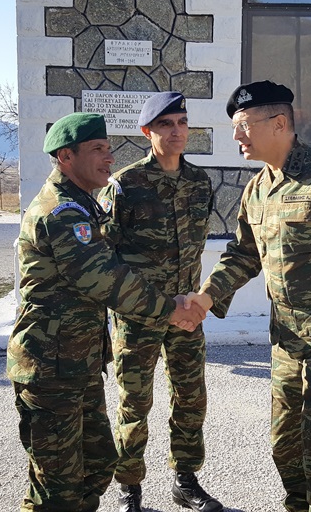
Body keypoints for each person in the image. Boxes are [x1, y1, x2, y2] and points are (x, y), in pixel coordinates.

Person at [182, 81, 311, 512]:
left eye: (243, 126)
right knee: (285, 446)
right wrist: (206, 297)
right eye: (234, 128)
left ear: (278, 123)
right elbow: (243, 254)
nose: (236, 136)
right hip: (286, 342)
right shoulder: (257, 189)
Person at [7, 112, 202, 512]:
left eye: (109, 149)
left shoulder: (84, 206)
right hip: (50, 365)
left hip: (78, 362)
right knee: (58, 488)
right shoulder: (61, 213)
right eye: (97, 149)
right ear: (66, 157)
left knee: (95, 466)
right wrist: (170, 309)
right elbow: (105, 278)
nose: (109, 158)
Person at [98, 93, 222, 512]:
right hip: (138, 317)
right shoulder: (125, 185)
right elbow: (108, 258)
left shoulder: (199, 182)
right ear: (146, 132)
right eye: (166, 124)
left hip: (186, 316)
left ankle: (185, 482)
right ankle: (129, 489)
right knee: (134, 404)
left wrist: (194, 304)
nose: (176, 131)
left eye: (182, 122)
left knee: (191, 398)